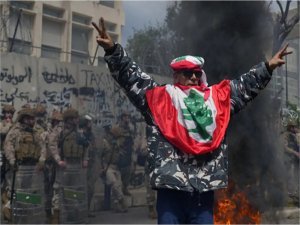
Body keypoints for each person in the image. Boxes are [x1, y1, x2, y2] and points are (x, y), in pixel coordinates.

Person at [93, 17, 292, 224]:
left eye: (197, 73)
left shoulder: (216, 100)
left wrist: (267, 67)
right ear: (176, 76)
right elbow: (131, 76)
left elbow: (243, 87)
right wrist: (113, 50)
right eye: (188, 73)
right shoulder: (160, 100)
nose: (194, 78)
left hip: (202, 193)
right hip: (171, 192)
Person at [3, 106, 46, 224]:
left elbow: (42, 147)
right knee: (15, 191)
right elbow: (8, 146)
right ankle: (11, 214)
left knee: (27, 191)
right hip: (18, 167)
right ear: (24, 119)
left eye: (33, 119)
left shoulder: (34, 133)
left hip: (31, 168)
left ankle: (24, 214)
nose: (33, 121)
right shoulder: (15, 131)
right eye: (30, 119)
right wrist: (12, 161)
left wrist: (42, 160)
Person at [100, 124, 128, 213]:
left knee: (118, 185)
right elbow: (100, 155)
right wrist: (102, 167)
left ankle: (117, 206)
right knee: (114, 184)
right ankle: (122, 199)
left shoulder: (118, 143)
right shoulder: (105, 143)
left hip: (117, 167)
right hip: (108, 167)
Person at [78, 114, 98, 217]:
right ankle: (80, 210)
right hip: (81, 165)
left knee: (90, 189)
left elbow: (94, 148)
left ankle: (86, 210)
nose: (90, 124)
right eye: (89, 122)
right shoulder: (80, 135)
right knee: (81, 188)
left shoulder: (91, 135)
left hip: (91, 164)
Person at [0, 104, 15, 222]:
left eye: (10, 113)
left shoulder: (15, 125)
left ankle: (7, 211)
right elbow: (3, 132)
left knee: (9, 185)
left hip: (10, 160)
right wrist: (9, 124)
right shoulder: (2, 124)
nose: (8, 115)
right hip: (2, 159)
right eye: (6, 113)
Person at [117, 112, 134, 196]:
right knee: (120, 172)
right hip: (121, 153)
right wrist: (118, 150)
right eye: (125, 117)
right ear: (122, 118)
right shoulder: (118, 128)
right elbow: (114, 140)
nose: (127, 119)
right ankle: (120, 190)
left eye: (128, 117)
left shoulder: (130, 127)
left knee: (128, 172)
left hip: (129, 152)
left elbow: (133, 137)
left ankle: (125, 188)